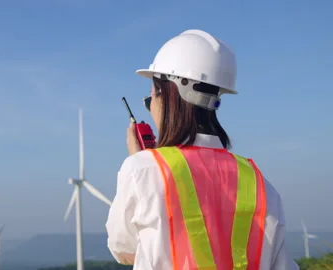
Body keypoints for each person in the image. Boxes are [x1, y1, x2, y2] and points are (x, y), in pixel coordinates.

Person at [105, 29, 299, 270]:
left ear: (167, 95)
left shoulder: (142, 169)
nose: (150, 107)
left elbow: (124, 249)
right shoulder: (259, 182)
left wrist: (142, 161)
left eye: (151, 97)